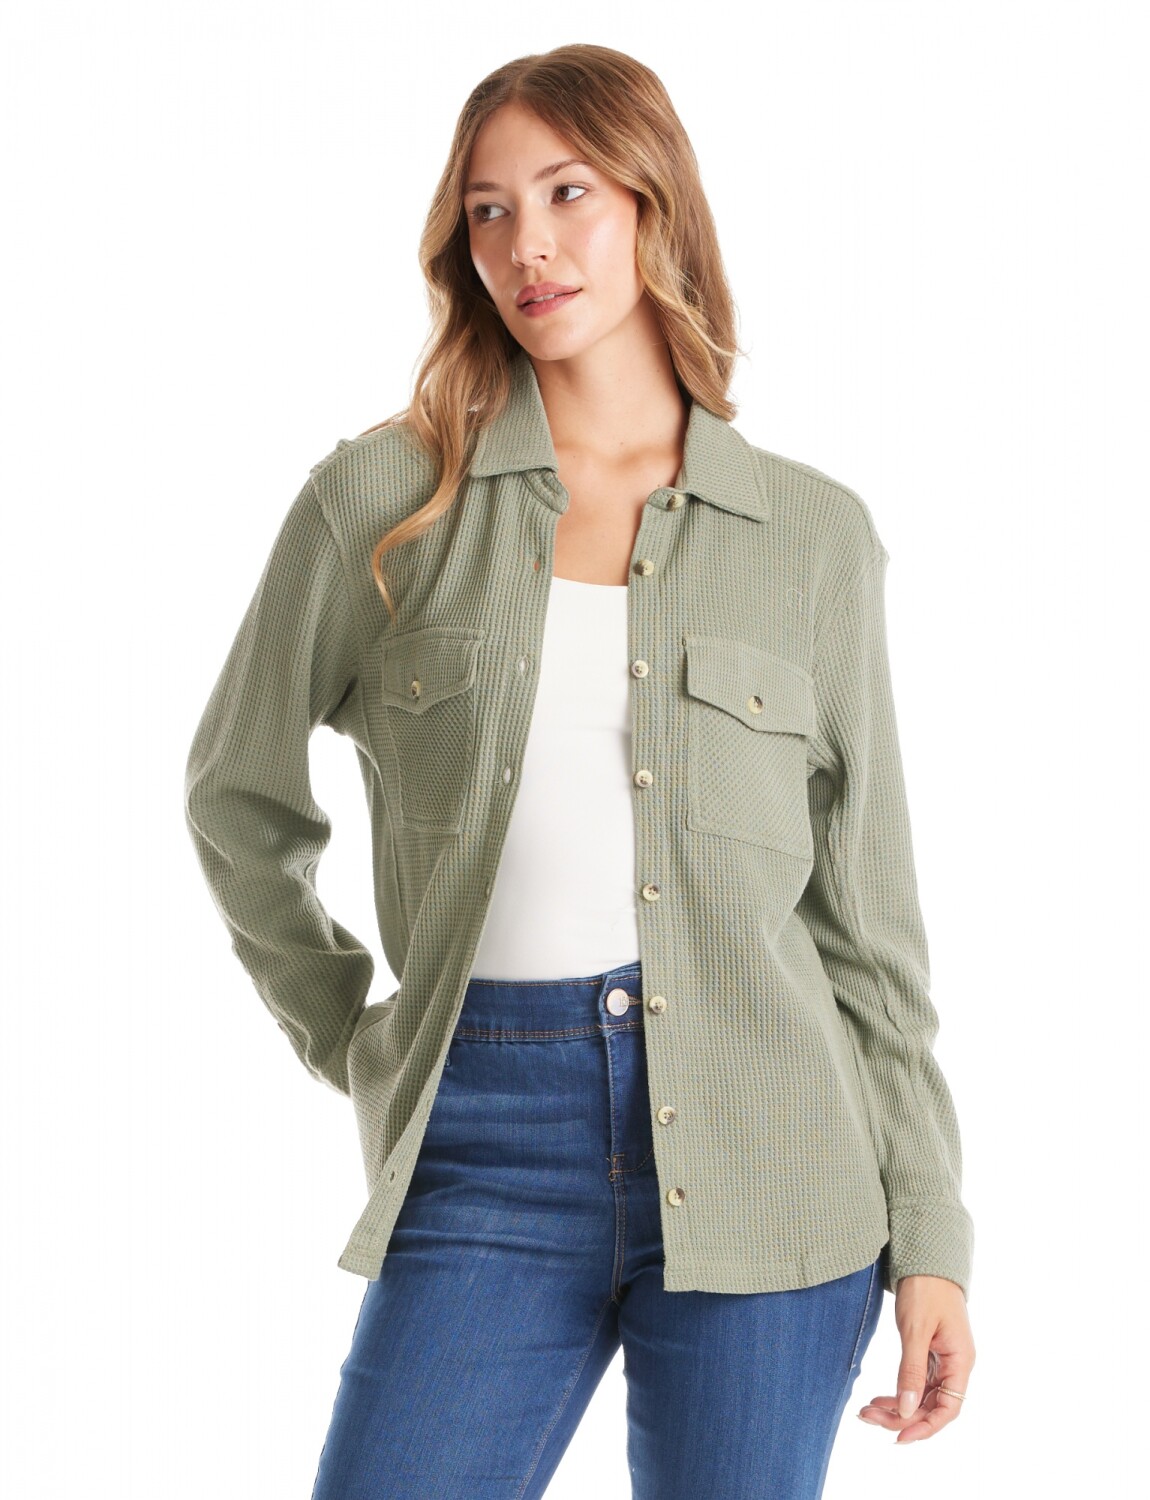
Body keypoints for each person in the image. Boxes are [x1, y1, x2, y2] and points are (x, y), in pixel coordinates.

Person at [184, 42, 975, 1500]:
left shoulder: (810, 538)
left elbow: (867, 925)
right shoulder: (384, 501)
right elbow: (235, 795)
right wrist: (355, 1032)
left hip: (772, 1144)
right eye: (487, 211)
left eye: (566, 194)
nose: (525, 246)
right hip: (482, 1138)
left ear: (653, 205)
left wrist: (931, 1231)